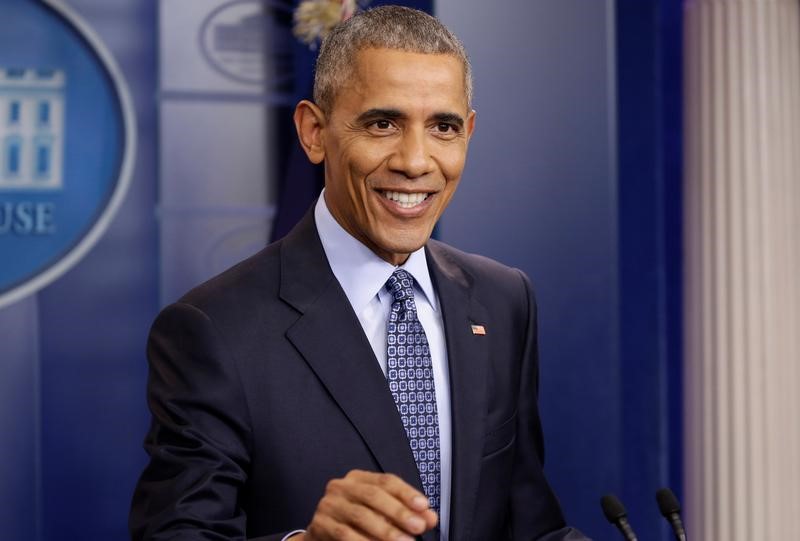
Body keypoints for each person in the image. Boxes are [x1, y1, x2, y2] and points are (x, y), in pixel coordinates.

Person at [130, 6, 588, 541]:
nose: (416, 161)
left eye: (442, 127)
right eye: (382, 124)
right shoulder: (211, 328)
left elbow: (529, 526)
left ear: (469, 132)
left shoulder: (504, 298)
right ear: (314, 132)